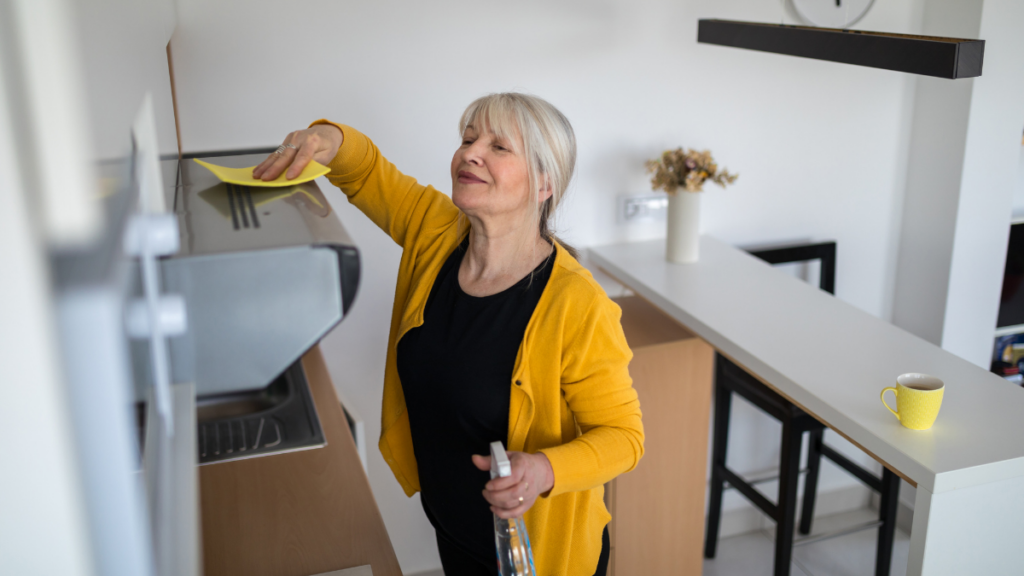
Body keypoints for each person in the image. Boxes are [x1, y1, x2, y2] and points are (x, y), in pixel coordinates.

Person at [253, 92, 643, 576]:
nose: (471, 152)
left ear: (544, 184)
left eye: (499, 147)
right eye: (468, 138)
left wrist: (543, 470)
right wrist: (326, 139)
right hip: (453, 526)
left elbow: (625, 438)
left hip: (538, 555)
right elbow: (366, 169)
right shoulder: (437, 233)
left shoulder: (577, 304)